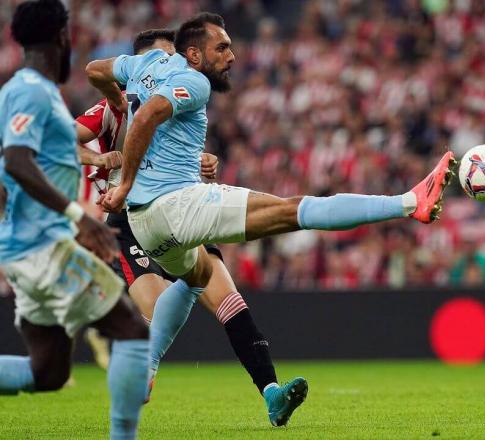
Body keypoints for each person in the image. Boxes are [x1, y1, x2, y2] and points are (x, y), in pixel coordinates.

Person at [86, 12, 455, 425]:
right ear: (193, 54)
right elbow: (151, 115)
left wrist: (118, 101)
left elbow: (95, 70)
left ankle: (149, 368)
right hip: (175, 205)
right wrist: (125, 179)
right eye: (221, 47)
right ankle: (409, 202)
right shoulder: (194, 80)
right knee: (294, 211)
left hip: (146, 223)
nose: (232, 55)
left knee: (198, 278)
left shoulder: (140, 66)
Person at [78, 28, 302, 425]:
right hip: (131, 221)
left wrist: (205, 160)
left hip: (181, 208)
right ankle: (136, 378)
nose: (173, 66)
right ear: (138, 68)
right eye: (164, 58)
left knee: (229, 300)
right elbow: (60, 138)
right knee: (157, 306)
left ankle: (272, 393)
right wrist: (100, 160)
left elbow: (176, 152)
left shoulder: (178, 97)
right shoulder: (114, 108)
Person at [0, 1, 149, 439]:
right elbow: (16, 159)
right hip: (43, 247)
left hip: (24, 250)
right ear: (63, 37)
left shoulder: (18, 92)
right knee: (132, 332)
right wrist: (75, 216)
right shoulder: (30, 90)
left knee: (46, 372)